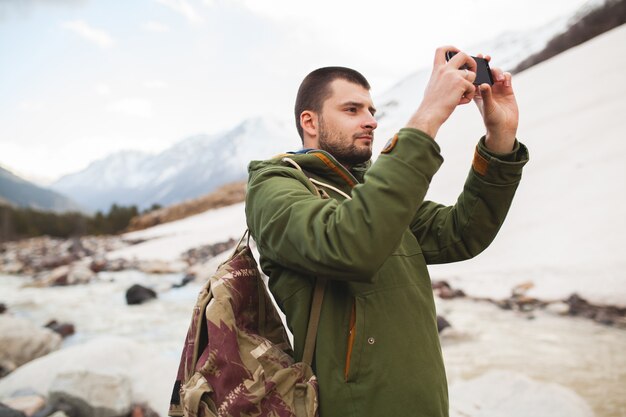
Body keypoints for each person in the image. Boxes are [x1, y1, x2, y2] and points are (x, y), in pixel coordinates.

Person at [245, 46, 529, 417]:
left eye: (371, 111)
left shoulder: (370, 190)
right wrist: (427, 115)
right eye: (352, 109)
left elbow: (462, 232)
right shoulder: (274, 185)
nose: (371, 121)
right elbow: (347, 245)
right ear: (310, 122)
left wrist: (500, 137)